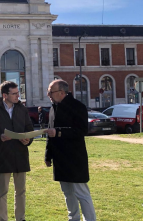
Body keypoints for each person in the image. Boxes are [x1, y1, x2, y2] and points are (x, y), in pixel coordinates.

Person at [0, 81, 33, 221]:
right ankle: (2, 219)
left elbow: (29, 128)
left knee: (21, 191)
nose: (18, 96)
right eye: (14, 93)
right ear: (5, 95)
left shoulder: (22, 109)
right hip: (3, 155)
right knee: (2, 192)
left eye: (18, 92)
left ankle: (20, 219)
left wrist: (28, 139)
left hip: (21, 155)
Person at [45, 79, 96, 221]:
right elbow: (50, 133)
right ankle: (73, 219)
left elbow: (81, 131)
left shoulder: (78, 106)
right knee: (67, 193)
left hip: (75, 158)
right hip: (60, 158)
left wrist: (59, 132)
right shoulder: (53, 107)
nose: (48, 94)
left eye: (51, 91)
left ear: (62, 92)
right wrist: (48, 155)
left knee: (81, 193)